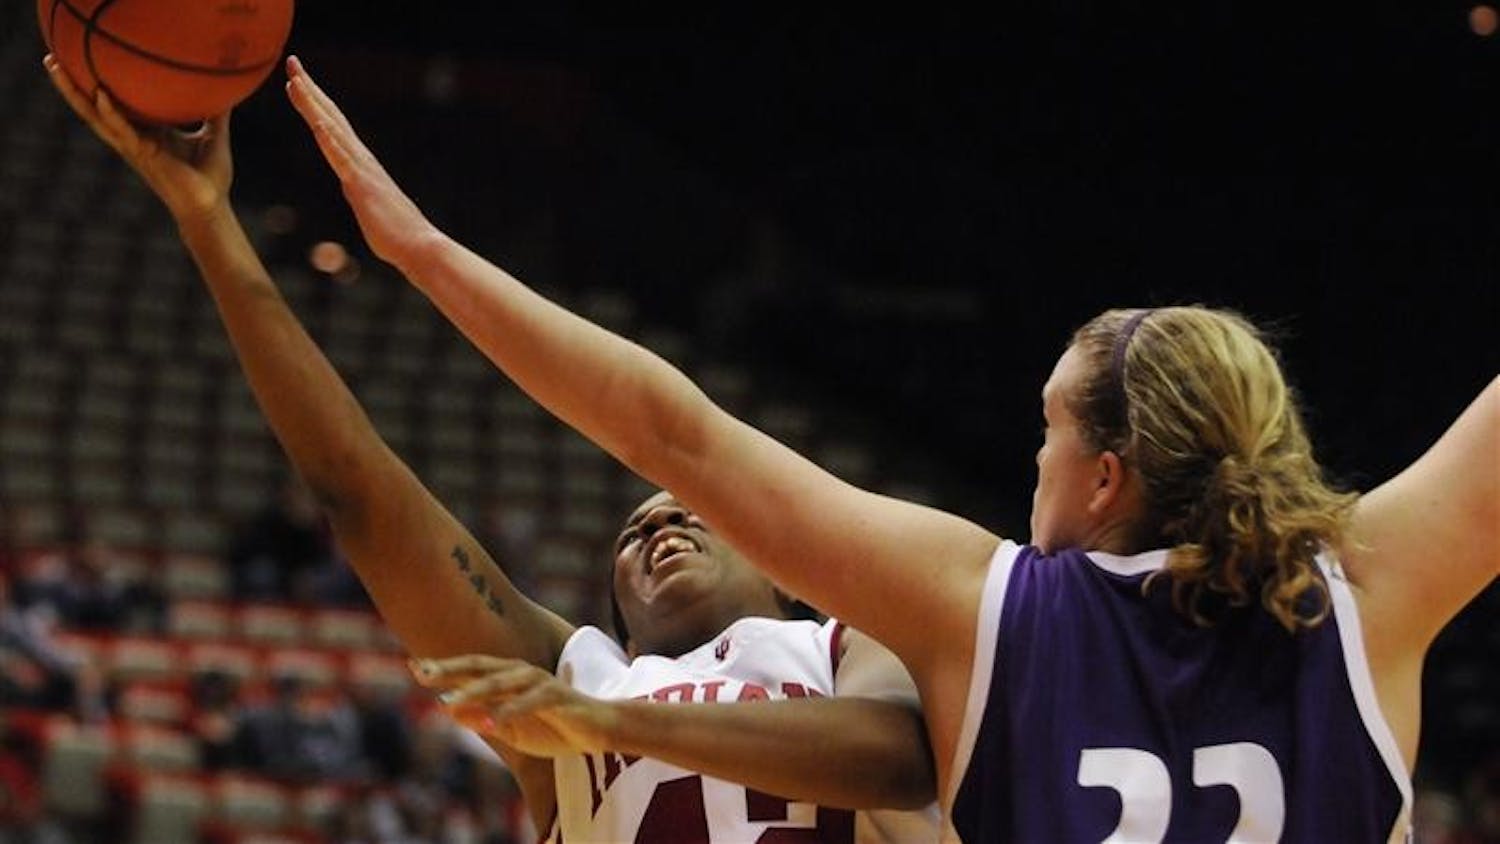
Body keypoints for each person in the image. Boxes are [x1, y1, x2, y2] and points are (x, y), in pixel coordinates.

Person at [274, 54, 1497, 843]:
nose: (1034, 466)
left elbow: (670, 429)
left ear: (1105, 476)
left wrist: (425, 253)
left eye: (1048, 434)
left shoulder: (990, 607)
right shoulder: (1362, 592)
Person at [42, 55, 942, 843]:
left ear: (784, 568)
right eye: (631, 533)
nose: (661, 522)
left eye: (686, 511)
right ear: (617, 613)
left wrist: (610, 727)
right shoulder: (571, 677)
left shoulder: (842, 644)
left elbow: (896, 760)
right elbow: (357, 492)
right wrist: (209, 222)